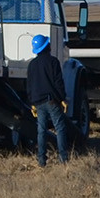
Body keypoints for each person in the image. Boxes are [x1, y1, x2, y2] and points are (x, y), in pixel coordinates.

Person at [26, 34, 69, 166]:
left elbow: (29, 85)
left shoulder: (31, 65)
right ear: (47, 47)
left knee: (41, 130)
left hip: (38, 102)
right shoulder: (53, 62)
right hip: (52, 101)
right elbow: (58, 83)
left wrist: (32, 103)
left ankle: (42, 160)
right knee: (60, 128)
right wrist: (62, 98)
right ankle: (63, 159)